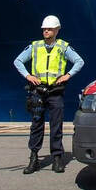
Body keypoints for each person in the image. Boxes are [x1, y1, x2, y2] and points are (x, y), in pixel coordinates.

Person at [13, 15, 83, 174]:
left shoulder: (63, 47)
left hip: (55, 92)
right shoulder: (35, 46)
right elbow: (18, 61)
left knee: (56, 125)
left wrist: (68, 75)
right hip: (38, 91)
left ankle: (57, 158)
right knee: (36, 125)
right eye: (44, 29)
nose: (46, 31)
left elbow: (79, 61)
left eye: (49, 29)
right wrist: (28, 76)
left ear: (57, 30)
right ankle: (34, 157)